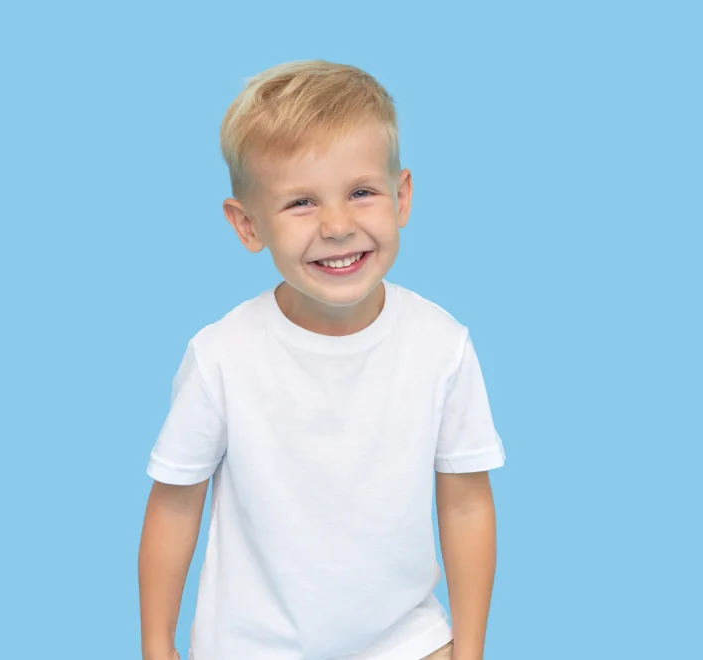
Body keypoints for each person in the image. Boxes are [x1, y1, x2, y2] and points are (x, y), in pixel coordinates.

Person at [138, 59, 507, 660]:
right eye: (301, 202)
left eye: (361, 192)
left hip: (407, 644)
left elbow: (466, 502)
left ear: (402, 196)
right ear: (247, 224)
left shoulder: (442, 345)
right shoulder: (221, 357)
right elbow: (177, 502)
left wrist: (468, 651)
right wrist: (157, 645)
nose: (338, 225)